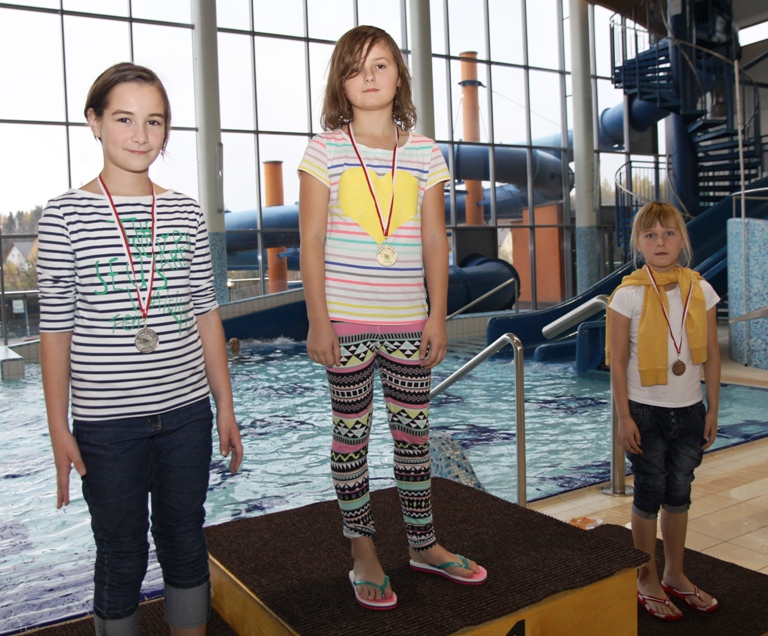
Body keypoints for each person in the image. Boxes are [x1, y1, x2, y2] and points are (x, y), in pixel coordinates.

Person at [37, 62, 243, 635]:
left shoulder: (185, 212)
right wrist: (58, 427)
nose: (140, 134)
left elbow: (205, 313)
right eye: (124, 119)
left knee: (184, 537)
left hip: (184, 413)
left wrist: (224, 405)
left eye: (154, 121)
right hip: (107, 424)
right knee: (121, 550)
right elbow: (55, 330)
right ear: (94, 122)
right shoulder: (64, 216)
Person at [298, 25, 487, 611]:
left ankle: (423, 545)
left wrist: (438, 317)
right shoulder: (325, 150)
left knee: (413, 439)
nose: (370, 77)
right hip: (346, 324)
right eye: (355, 68)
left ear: (399, 76)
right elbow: (310, 242)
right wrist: (319, 321)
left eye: (380, 65)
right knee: (351, 439)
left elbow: (434, 239)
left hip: (408, 321)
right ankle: (363, 550)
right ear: (341, 83)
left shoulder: (425, 153)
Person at [606, 201, 720, 621]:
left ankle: (674, 572)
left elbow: (711, 355)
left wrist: (712, 409)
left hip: (689, 411)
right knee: (649, 493)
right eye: (650, 235)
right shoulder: (627, 295)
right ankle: (646, 576)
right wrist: (624, 417)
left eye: (669, 233)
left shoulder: (700, 290)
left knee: (679, 494)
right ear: (638, 243)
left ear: (682, 240)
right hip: (645, 411)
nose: (660, 242)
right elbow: (617, 361)